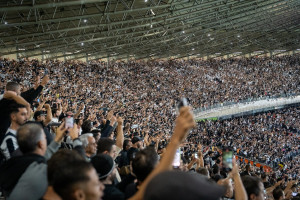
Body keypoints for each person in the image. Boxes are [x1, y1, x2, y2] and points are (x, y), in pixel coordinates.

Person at [0, 122, 67, 199]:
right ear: (40, 144)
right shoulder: (42, 171)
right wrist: (76, 140)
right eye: (45, 138)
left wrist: (57, 139)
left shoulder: (13, 162)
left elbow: (39, 158)